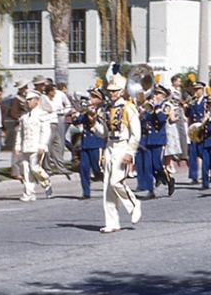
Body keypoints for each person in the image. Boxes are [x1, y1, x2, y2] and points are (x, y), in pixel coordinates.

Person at [93, 72, 143, 233]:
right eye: (110, 90)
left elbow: (136, 133)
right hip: (110, 146)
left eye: (115, 90)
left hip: (123, 146)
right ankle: (112, 222)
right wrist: (92, 123)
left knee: (116, 181)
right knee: (108, 186)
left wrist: (130, 152)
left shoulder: (129, 107)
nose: (112, 93)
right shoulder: (107, 109)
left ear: (122, 91)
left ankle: (134, 204)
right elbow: (104, 133)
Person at [136, 85, 175, 200]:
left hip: (158, 139)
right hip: (148, 139)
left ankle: (168, 179)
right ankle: (150, 191)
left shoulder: (165, 106)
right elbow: (143, 122)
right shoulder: (149, 107)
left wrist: (153, 108)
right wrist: (142, 113)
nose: (155, 96)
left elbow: (161, 118)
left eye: (157, 94)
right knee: (148, 166)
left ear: (163, 95)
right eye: (154, 93)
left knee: (157, 164)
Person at [14, 90, 53, 202]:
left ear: (36, 100)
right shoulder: (24, 117)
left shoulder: (42, 114)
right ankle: (29, 193)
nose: (28, 102)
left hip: (37, 147)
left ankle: (46, 181)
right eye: (27, 100)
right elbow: (20, 133)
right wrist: (18, 146)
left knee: (35, 168)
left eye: (30, 100)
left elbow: (45, 131)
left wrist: (42, 145)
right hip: (26, 146)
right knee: (26, 170)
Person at [72, 85, 105, 199]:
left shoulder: (102, 111)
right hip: (86, 143)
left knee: (98, 168)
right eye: (91, 96)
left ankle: (109, 185)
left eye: (94, 97)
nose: (91, 99)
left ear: (100, 100)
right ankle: (86, 192)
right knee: (84, 168)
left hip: (97, 143)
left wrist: (93, 116)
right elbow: (77, 122)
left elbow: (102, 125)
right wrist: (75, 114)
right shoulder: (86, 111)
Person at [7, 79, 30, 180]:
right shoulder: (16, 100)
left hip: (27, 126)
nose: (26, 89)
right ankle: (16, 171)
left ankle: (23, 170)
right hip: (19, 125)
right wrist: (20, 117)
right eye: (24, 87)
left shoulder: (26, 99)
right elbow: (12, 113)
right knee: (17, 149)